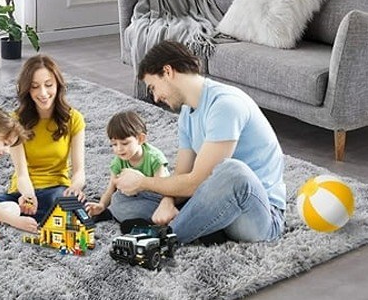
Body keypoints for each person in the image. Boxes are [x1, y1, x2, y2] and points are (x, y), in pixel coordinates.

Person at [114, 40, 286, 244]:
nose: (156, 98)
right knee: (121, 201)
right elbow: (182, 175)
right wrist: (167, 202)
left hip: (257, 213)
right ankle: (201, 225)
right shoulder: (186, 114)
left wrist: (143, 182)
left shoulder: (225, 105)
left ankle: (164, 240)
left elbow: (196, 182)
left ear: (167, 72)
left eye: (153, 87)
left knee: (233, 171)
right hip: (213, 200)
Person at [0, 54, 86, 223]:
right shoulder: (15, 121)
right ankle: (14, 209)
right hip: (24, 191)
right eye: (35, 87)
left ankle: (9, 212)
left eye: (48, 85)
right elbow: (21, 174)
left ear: (58, 85)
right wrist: (28, 196)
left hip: (57, 189)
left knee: (61, 202)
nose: (43, 93)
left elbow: (79, 171)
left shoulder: (74, 119)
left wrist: (75, 187)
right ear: (27, 89)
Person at [86, 111, 169, 224]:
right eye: (114, 144)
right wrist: (101, 205)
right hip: (131, 196)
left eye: (124, 143)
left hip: (153, 197)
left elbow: (163, 189)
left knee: (152, 207)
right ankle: (127, 216)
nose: (119, 149)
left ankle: (132, 218)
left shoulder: (155, 158)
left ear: (140, 139)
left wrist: (141, 183)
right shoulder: (118, 161)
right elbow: (111, 189)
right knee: (116, 198)